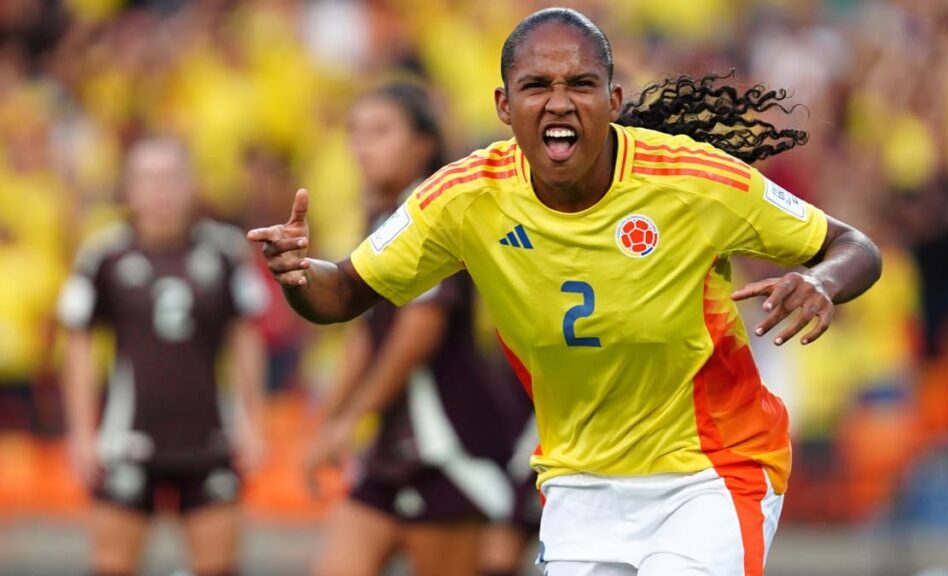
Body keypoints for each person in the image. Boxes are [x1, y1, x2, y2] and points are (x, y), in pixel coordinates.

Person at [248, 8, 882, 576]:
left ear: (613, 97)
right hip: (580, 483)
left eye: (579, 84)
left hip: (710, 474)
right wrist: (302, 277)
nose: (558, 102)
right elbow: (344, 294)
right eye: (536, 86)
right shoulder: (465, 198)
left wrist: (821, 280)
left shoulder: (692, 180)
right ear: (503, 104)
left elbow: (854, 246)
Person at [301, 80, 537, 576]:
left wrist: (351, 420)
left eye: (381, 131)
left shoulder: (435, 212)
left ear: (423, 144)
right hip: (394, 446)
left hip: (447, 444)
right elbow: (369, 334)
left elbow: (419, 330)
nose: (363, 145)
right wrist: (327, 424)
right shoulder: (378, 217)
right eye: (356, 132)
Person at [58, 137, 268, 576]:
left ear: (192, 186)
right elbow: (78, 344)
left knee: (219, 566)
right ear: (128, 190)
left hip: (210, 437)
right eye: (148, 180)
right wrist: (80, 432)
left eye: (172, 178)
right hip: (127, 439)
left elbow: (245, 337)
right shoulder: (104, 254)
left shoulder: (226, 251)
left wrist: (254, 423)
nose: (161, 191)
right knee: (111, 566)